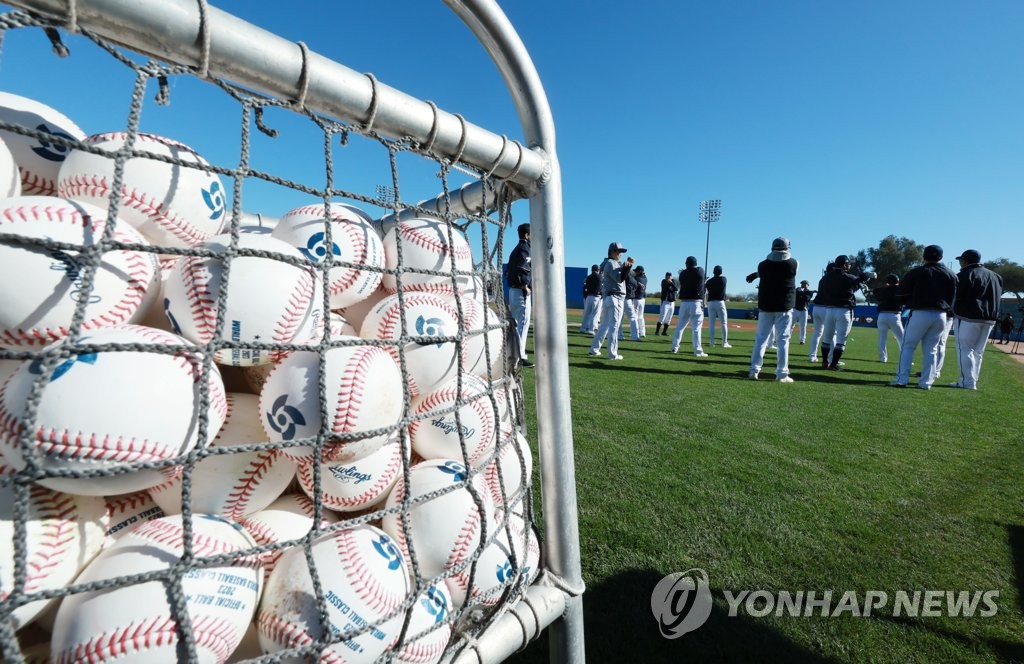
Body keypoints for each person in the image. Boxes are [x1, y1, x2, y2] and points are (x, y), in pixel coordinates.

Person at [890, 244, 957, 389]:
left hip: (920, 313)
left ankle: (902, 380)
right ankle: (926, 383)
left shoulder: (917, 271)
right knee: (931, 349)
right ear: (941, 257)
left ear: (923, 256)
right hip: (941, 315)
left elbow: (900, 294)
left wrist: (908, 302)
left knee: (908, 346)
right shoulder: (951, 274)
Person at [745, 237, 799, 382]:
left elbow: (769, 269)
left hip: (766, 307)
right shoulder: (793, 263)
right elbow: (782, 265)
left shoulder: (762, 265)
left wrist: (756, 275)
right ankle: (782, 374)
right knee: (783, 341)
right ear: (787, 247)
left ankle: (754, 370)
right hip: (784, 307)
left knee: (761, 339)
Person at [950, 249, 1003, 390]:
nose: (960, 262)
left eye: (961, 260)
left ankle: (966, 382)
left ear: (966, 261)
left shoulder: (964, 274)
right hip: (989, 318)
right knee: (978, 351)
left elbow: (957, 296)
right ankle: (972, 381)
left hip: (968, 316)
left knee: (964, 349)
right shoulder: (996, 276)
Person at [814, 255, 874, 370]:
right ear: (845, 265)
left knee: (826, 338)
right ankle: (833, 364)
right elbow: (859, 280)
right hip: (844, 310)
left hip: (829, 310)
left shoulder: (826, 278)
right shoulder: (847, 276)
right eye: (848, 264)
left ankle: (825, 362)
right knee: (841, 339)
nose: (850, 265)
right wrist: (866, 276)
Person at [589, 242, 634, 360]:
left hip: (610, 297)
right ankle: (612, 354)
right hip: (615, 297)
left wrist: (625, 266)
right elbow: (619, 279)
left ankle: (594, 349)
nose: (620, 254)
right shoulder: (610, 263)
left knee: (605, 325)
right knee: (614, 326)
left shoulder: (608, 263)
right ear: (612, 251)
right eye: (618, 251)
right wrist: (627, 267)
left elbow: (619, 275)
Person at [506, 223, 533, 368]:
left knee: (515, 324)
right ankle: (520, 356)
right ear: (527, 235)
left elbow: (508, 271)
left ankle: (511, 354)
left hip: (513, 290)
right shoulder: (525, 248)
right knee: (522, 324)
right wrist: (524, 285)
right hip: (521, 291)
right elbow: (522, 268)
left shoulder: (515, 249)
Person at [671, 256, 708, 357]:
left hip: (684, 303)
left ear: (686, 264)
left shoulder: (682, 274)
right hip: (696, 302)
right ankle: (698, 351)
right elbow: (698, 270)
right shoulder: (700, 271)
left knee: (680, 327)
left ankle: (675, 347)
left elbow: (686, 271)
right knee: (696, 328)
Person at [871, 274, 904, 363]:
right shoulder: (900, 289)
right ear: (897, 281)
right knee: (901, 338)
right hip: (894, 315)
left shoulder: (883, 289)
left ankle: (883, 358)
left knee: (882, 338)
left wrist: (885, 286)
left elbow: (875, 291)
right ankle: (904, 358)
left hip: (882, 316)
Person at [807, 264, 832, 363]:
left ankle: (812, 356)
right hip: (825, 308)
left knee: (817, 333)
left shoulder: (823, 279)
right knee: (831, 333)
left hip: (816, 308)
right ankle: (831, 358)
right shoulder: (832, 279)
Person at [705, 265, 731, 348]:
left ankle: (712, 342)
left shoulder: (709, 281)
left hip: (711, 303)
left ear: (713, 272)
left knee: (711, 323)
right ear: (721, 272)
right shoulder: (724, 279)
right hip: (720, 302)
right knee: (723, 323)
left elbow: (705, 287)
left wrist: (705, 280)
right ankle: (724, 342)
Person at [580, 264, 602, 334]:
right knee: (594, 314)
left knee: (586, 313)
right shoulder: (600, 277)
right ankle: (591, 329)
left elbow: (585, 286)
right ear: (598, 270)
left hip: (588, 297)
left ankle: (583, 328)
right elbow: (602, 288)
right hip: (596, 297)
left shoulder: (588, 277)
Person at [792, 280, 815, 344]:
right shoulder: (798, 289)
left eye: (805, 284)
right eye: (802, 283)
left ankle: (802, 340)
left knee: (803, 326)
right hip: (795, 310)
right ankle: (788, 337)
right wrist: (804, 293)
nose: (803, 285)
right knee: (791, 325)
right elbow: (797, 292)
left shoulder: (809, 292)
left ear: (808, 285)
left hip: (804, 311)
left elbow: (807, 298)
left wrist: (804, 293)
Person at [629, 265, 648, 340]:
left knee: (635, 316)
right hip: (642, 299)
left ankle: (635, 332)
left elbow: (632, 279)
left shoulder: (636, 278)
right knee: (641, 316)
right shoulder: (645, 278)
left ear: (639, 271)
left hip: (636, 299)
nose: (635, 272)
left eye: (636, 271)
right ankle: (642, 332)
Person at [656, 271, 677, 336]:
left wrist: (672, 283)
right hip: (665, 302)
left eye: (670, 276)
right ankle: (657, 332)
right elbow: (666, 288)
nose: (669, 277)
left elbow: (676, 289)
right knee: (662, 317)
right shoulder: (663, 281)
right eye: (667, 275)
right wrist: (670, 284)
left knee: (669, 318)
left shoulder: (673, 281)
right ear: (665, 276)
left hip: (672, 302)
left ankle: (664, 332)